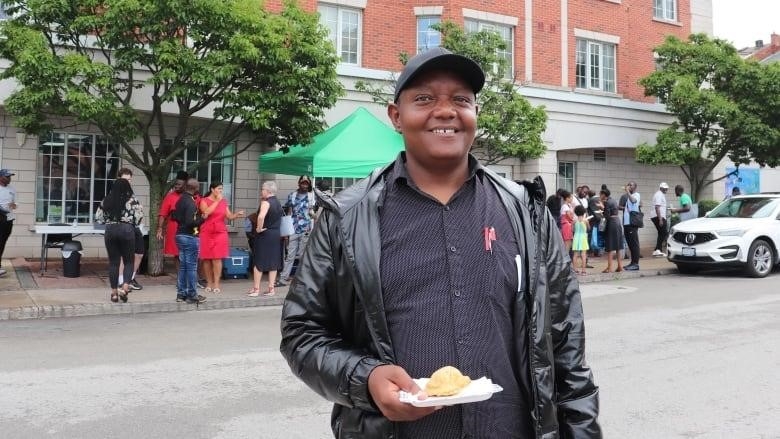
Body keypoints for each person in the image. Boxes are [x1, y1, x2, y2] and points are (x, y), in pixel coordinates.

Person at [280, 47, 601, 438]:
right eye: (425, 99)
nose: (446, 111)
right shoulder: (347, 219)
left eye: (461, 100)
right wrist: (366, 377)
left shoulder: (526, 214)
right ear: (396, 117)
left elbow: (565, 342)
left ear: (475, 115)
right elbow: (302, 332)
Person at [95, 178, 143, 303]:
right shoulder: (132, 200)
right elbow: (138, 218)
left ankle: (114, 293)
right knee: (128, 261)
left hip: (110, 230)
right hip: (127, 230)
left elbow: (99, 218)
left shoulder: (107, 199)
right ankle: (125, 287)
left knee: (113, 263)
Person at [198, 182, 244, 294]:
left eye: (222, 189)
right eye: (219, 189)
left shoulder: (223, 202)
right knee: (207, 258)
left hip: (220, 232)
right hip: (207, 232)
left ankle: (216, 284)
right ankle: (209, 282)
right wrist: (217, 201)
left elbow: (229, 216)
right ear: (212, 189)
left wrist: (236, 215)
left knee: (217, 258)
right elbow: (205, 213)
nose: (221, 191)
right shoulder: (204, 201)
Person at [277, 175, 316, 286]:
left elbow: (313, 212)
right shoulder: (292, 195)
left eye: (306, 183)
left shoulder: (311, 196)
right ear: (299, 183)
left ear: (308, 185)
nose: (304, 185)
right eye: (303, 183)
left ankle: (301, 280)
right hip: (293, 229)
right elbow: (288, 212)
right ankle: (283, 278)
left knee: (303, 255)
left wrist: (314, 217)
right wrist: (285, 230)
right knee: (290, 255)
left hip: (306, 230)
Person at [247, 181, 284, 297]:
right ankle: (271, 289)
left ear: (268, 191)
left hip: (265, 234)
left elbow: (261, 216)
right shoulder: (278, 202)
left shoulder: (266, 203)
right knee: (273, 261)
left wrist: (258, 228)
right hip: (275, 234)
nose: (261, 191)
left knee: (259, 261)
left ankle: (256, 289)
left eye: (262, 189)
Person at [173, 178, 206, 304]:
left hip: (180, 235)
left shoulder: (180, 200)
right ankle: (192, 294)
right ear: (196, 189)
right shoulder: (191, 203)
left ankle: (181, 294)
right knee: (192, 267)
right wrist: (202, 219)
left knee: (183, 266)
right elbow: (190, 222)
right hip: (189, 236)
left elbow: (175, 216)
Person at [116, 168, 144, 290]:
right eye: (125, 179)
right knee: (124, 255)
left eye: (129, 180)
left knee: (139, 253)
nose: (128, 182)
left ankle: (130, 278)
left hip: (134, 226)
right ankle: (121, 281)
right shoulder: (115, 192)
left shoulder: (130, 193)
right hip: (122, 226)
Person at [600, 188, 624, 273]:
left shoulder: (607, 202)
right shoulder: (613, 200)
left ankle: (609, 267)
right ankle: (620, 266)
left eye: (601, 194)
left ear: (604, 194)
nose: (600, 196)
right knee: (617, 246)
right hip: (617, 222)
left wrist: (601, 209)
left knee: (610, 246)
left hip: (611, 224)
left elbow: (606, 215)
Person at [618, 181, 641, 271]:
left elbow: (634, 201)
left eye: (631, 185)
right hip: (627, 223)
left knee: (634, 243)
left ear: (635, 187)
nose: (628, 186)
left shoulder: (636, 195)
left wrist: (627, 192)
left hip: (632, 223)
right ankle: (632, 263)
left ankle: (636, 264)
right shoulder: (628, 197)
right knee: (630, 243)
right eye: (628, 185)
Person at [0, 169, 17, 277]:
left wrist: (14, 205)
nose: (9, 178)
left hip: (9, 219)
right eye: (7, 176)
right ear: (1, 177)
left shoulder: (12, 189)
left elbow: (16, 202)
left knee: (2, 242)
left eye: (10, 176)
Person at [650, 182, 669, 257]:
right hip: (658, 216)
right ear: (661, 188)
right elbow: (657, 207)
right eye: (664, 188)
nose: (666, 190)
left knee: (661, 232)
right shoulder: (659, 195)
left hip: (657, 216)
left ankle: (657, 250)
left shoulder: (660, 194)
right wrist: (660, 219)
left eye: (666, 188)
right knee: (663, 232)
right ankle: (658, 250)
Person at [572, 204, 590, 275]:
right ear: (584, 212)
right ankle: (583, 271)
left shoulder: (574, 221)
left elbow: (572, 229)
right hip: (583, 238)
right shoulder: (585, 220)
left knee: (575, 254)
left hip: (576, 237)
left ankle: (575, 270)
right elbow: (588, 229)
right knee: (583, 254)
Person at [559, 190, 574, 255]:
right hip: (566, 226)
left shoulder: (568, 205)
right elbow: (570, 217)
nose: (572, 199)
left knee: (568, 243)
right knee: (567, 244)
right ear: (567, 198)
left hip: (567, 225)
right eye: (571, 197)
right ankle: (565, 260)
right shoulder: (565, 206)